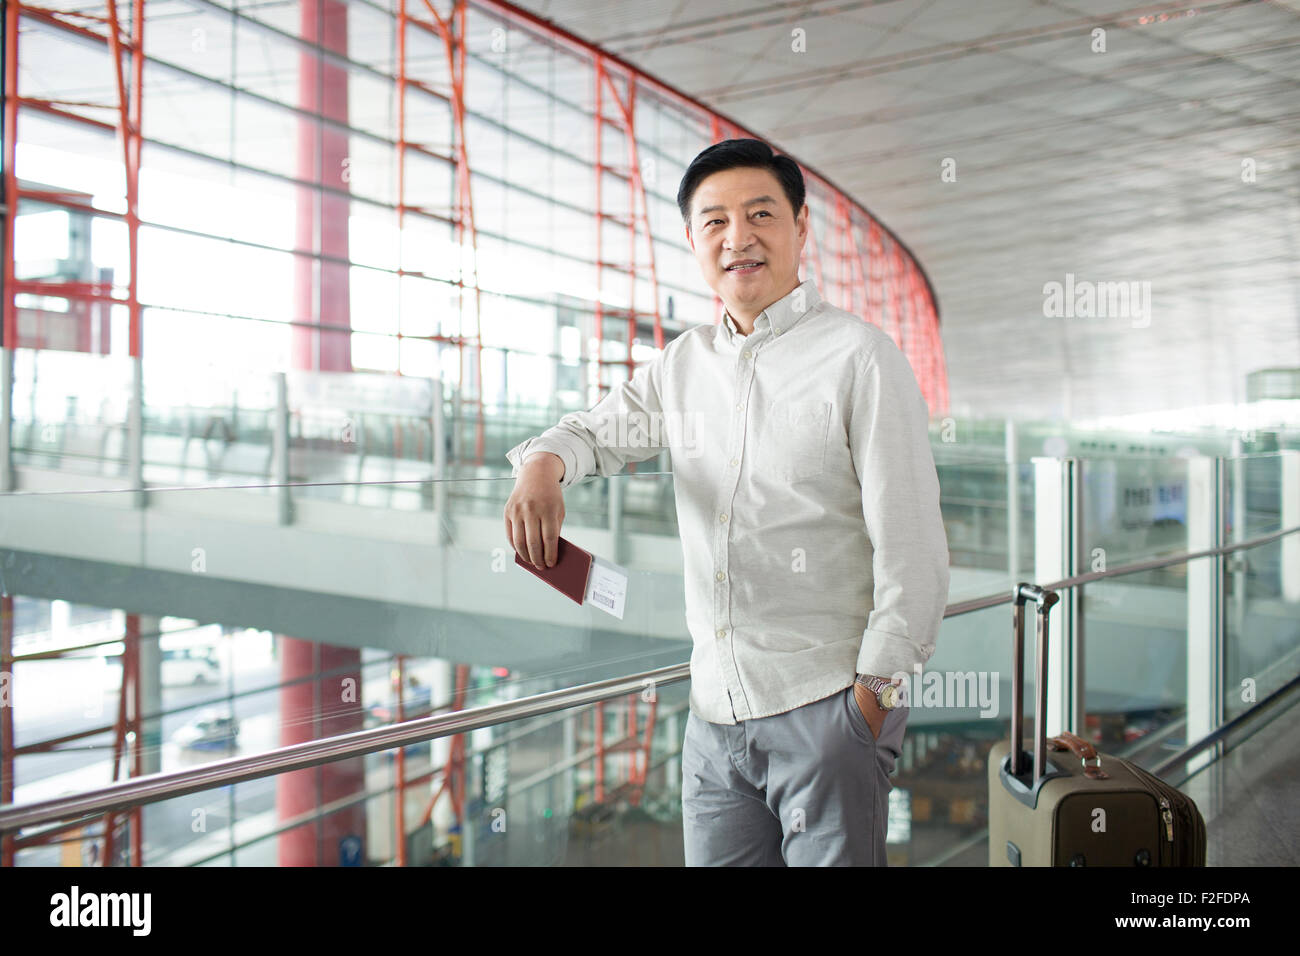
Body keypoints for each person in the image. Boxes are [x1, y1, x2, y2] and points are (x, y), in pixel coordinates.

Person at [504, 138, 949, 866]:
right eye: (714, 222)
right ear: (693, 241)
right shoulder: (684, 365)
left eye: (760, 214)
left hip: (828, 707)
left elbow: (915, 550)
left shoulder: (859, 358)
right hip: (714, 724)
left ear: (801, 228)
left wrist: (871, 699)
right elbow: (595, 431)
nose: (737, 238)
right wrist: (543, 466)